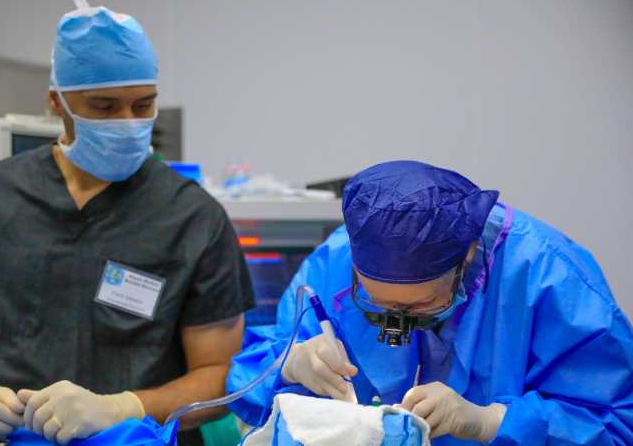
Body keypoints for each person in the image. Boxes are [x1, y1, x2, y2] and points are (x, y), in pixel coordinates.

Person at [0, 1, 254, 446]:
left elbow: (221, 375)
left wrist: (125, 407)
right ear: (56, 103)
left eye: (144, 105)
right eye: (104, 106)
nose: (128, 123)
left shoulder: (193, 217)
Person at [227, 160, 633, 445]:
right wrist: (291, 364)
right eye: (377, 304)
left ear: (469, 256)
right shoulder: (335, 263)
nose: (394, 325)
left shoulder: (549, 279)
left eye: (419, 307)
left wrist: (491, 422)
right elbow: (245, 381)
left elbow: (616, 426)